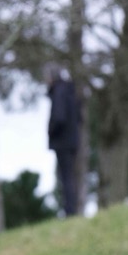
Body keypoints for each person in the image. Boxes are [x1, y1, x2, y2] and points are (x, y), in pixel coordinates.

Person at [45, 62, 82, 217]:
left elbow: (59, 117)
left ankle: (70, 212)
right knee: (70, 176)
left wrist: (51, 132)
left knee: (65, 177)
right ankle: (72, 210)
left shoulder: (59, 92)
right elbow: (80, 117)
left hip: (63, 141)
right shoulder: (70, 91)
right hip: (72, 140)